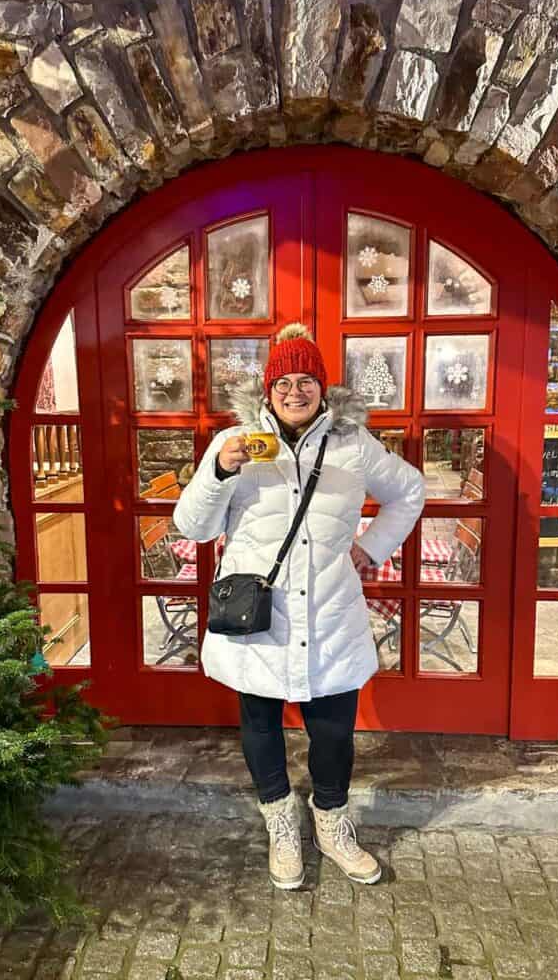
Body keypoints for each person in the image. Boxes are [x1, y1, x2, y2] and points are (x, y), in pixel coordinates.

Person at [173, 323, 424, 890]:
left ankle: (331, 824)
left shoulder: (353, 444)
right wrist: (221, 472)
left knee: (333, 730)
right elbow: (192, 525)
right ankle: (280, 822)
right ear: (267, 390)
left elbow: (409, 491)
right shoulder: (233, 443)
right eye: (282, 381)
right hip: (256, 616)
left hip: (331, 615)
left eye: (305, 379)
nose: (294, 391)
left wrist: (372, 547)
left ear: (322, 387)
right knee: (260, 723)